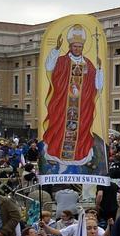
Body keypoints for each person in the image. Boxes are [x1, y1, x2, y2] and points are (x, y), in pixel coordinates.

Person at [40, 25, 104, 171]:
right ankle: (54, 156)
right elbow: (49, 67)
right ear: (70, 46)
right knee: (58, 127)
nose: (77, 49)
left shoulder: (88, 64)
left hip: (82, 107)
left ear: (83, 47)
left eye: (80, 46)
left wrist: (99, 70)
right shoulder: (62, 61)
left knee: (81, 130)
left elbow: (97, 85)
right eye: (74, 46)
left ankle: (81, 157)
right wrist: (56, 49)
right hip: (62, 104)